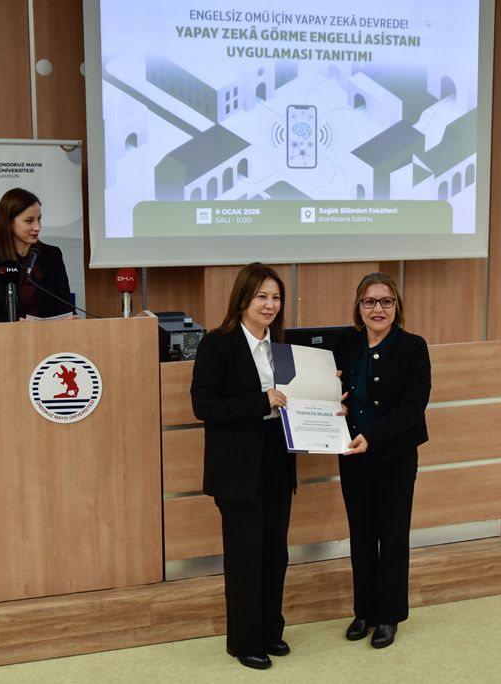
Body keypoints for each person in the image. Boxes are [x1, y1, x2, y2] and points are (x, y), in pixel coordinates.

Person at [190, 263, 297, 671]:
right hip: (237, 465)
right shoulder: (218, 345)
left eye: (276, 297)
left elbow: (294, 399)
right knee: (245, 556)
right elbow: (204, 406)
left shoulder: (283, 346)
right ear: (242, 299)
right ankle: (244, 641)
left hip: (276, 457)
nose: (270, 305)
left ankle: (270, 630)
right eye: (261, 296)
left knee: (275, 552)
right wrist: (261, 401)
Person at [334, 272, 431, 649]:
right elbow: (335, 389)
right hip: (352, 456)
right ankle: (364, 611)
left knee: (391, 537)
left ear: (396, 306)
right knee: (360, 536)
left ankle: (388, 615)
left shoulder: (413, 347)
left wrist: (372, 437)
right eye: (370, 302)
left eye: (386, 301)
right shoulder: (346, 343)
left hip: (394, 457)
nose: (378, 309)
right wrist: (335, 403)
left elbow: (413, 406)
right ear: (359, 307)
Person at [0, 188, 74, 323]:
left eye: (39, 219)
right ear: (9, 222)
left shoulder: (52, 255)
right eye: (29, 221)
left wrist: (71, 320)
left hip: (50, 335)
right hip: (9, 336)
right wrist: (19, 327)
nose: (37, 227)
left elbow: (65, 307)